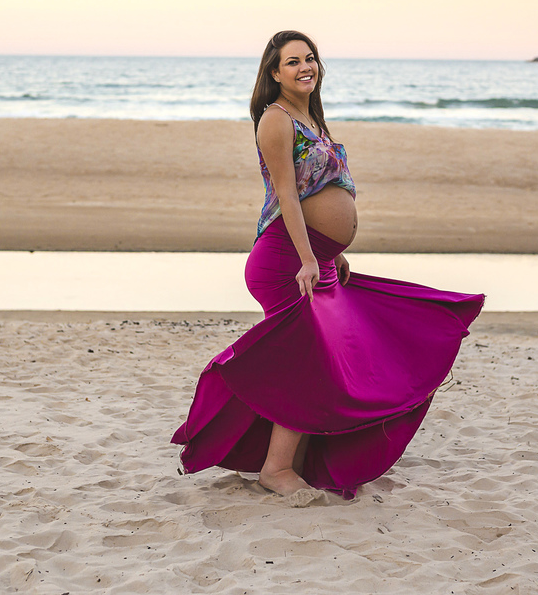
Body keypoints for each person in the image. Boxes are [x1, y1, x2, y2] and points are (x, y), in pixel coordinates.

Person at [171, 30, 484, 505]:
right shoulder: (275, 121)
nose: (305, 67)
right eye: (292, 61)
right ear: (274, 73)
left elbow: (320, 187)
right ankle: (276, 470)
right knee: (309, 360)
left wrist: (332, 249)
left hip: (315, 257)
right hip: (286, 261)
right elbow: (287, 196)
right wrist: (307, 256)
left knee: (323, 358)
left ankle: (290, 461)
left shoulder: (308, 116)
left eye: (310, 58)